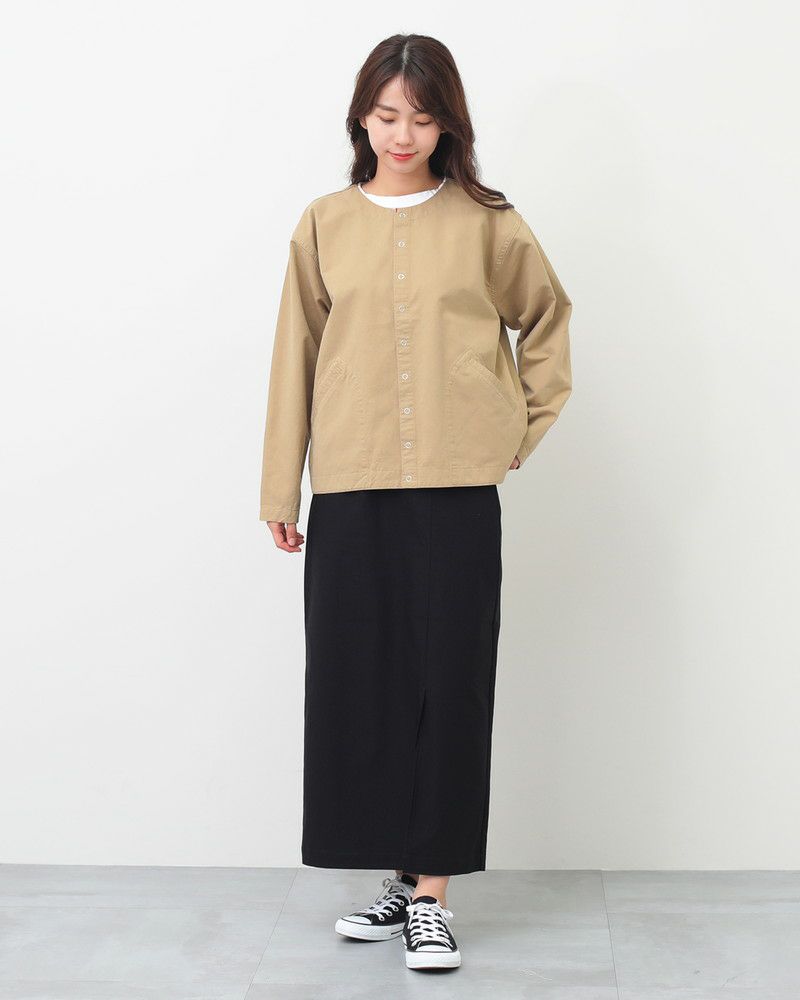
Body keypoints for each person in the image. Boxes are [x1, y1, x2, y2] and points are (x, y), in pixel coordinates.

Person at [259, 33, 572, 972]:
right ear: (362, 116)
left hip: (455, 488)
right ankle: (400, 879)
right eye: (388, 115)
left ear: (449, 125)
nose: (404, 135)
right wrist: (280, 484)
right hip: (351, 484)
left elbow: (547, 322)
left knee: (448, 682)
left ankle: (433, 893)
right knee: (361, 684)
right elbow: (294, 357)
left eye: (424, 118)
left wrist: (514, 430)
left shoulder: (488, 222)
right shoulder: (323, 224)